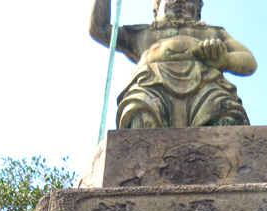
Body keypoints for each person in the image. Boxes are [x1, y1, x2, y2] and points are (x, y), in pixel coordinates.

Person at [90, 0, 257, 129]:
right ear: (156, 10)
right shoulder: (141, 33)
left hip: (207, 87)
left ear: (198, 10)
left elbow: (249, 61)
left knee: (226, 120)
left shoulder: (213, 32)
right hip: (150, 86)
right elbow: (99, 28)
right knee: (141, 120)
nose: (179, 1)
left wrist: (226, 60)